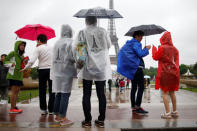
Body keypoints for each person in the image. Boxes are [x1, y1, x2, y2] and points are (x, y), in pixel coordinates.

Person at [75, 16, 112, 128]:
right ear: (96, 21)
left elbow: (79, 49)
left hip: (88, 66)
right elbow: (109, 45)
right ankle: (101, 120)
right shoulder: (103, 31)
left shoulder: (82, 32)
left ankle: (87, 120)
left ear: (86, 21)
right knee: (101, 94)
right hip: (101, 66)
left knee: (86, 94)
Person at [117, 30, 151, 115]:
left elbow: (134, 54)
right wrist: (146, 49)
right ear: (136, 36)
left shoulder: (128, 44)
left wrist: (142, 49)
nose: (141, 38)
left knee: (134, 88)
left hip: (132, 69)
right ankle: (138, 106)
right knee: (141, 87)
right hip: (137, 68)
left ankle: (133, 106)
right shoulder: (136, 43)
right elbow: (140, 54)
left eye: (142, 36)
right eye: (140, 36)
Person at [50, 24, 77, 126]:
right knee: (65, 94)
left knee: (59, 93)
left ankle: (57, 115)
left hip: (57, 71)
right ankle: (63, 117)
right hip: (66, 70)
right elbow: (73, 57)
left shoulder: (57, 42)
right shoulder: (71, 42)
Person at [24, 34, 55, 115]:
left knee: (42, 90)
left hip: (42, 70)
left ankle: (43, 109)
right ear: (46, 40)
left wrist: (25, 68)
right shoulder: (52, 48)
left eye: (37, 40)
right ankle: (51, 109)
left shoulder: (38, 48)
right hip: (52, 70)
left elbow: (32, 61)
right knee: (52, 90)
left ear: (39, 40)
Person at [152, 31, 180, 119]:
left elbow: (155, 57)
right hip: (174, 73)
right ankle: (174, 111)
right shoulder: (175, 49)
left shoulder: (162, 48)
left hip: (164, 73)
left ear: (163, 38)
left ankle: (167, 113)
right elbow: (176, 61)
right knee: (172, 92)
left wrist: (154, 49)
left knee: (164, 93)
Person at [4, 41, 26, 113]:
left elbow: (22, 66)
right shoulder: (12, 53)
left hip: (19, 76)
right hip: (13, 75)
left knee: (17, 92)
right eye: (21, 45)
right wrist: (10, 64)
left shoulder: (22, 56)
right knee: (13, 92)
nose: (22, 47)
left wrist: (25, 64)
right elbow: (5, 62)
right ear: (17, 46)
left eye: (23, 45)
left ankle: (14, 106)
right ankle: (12, 108)